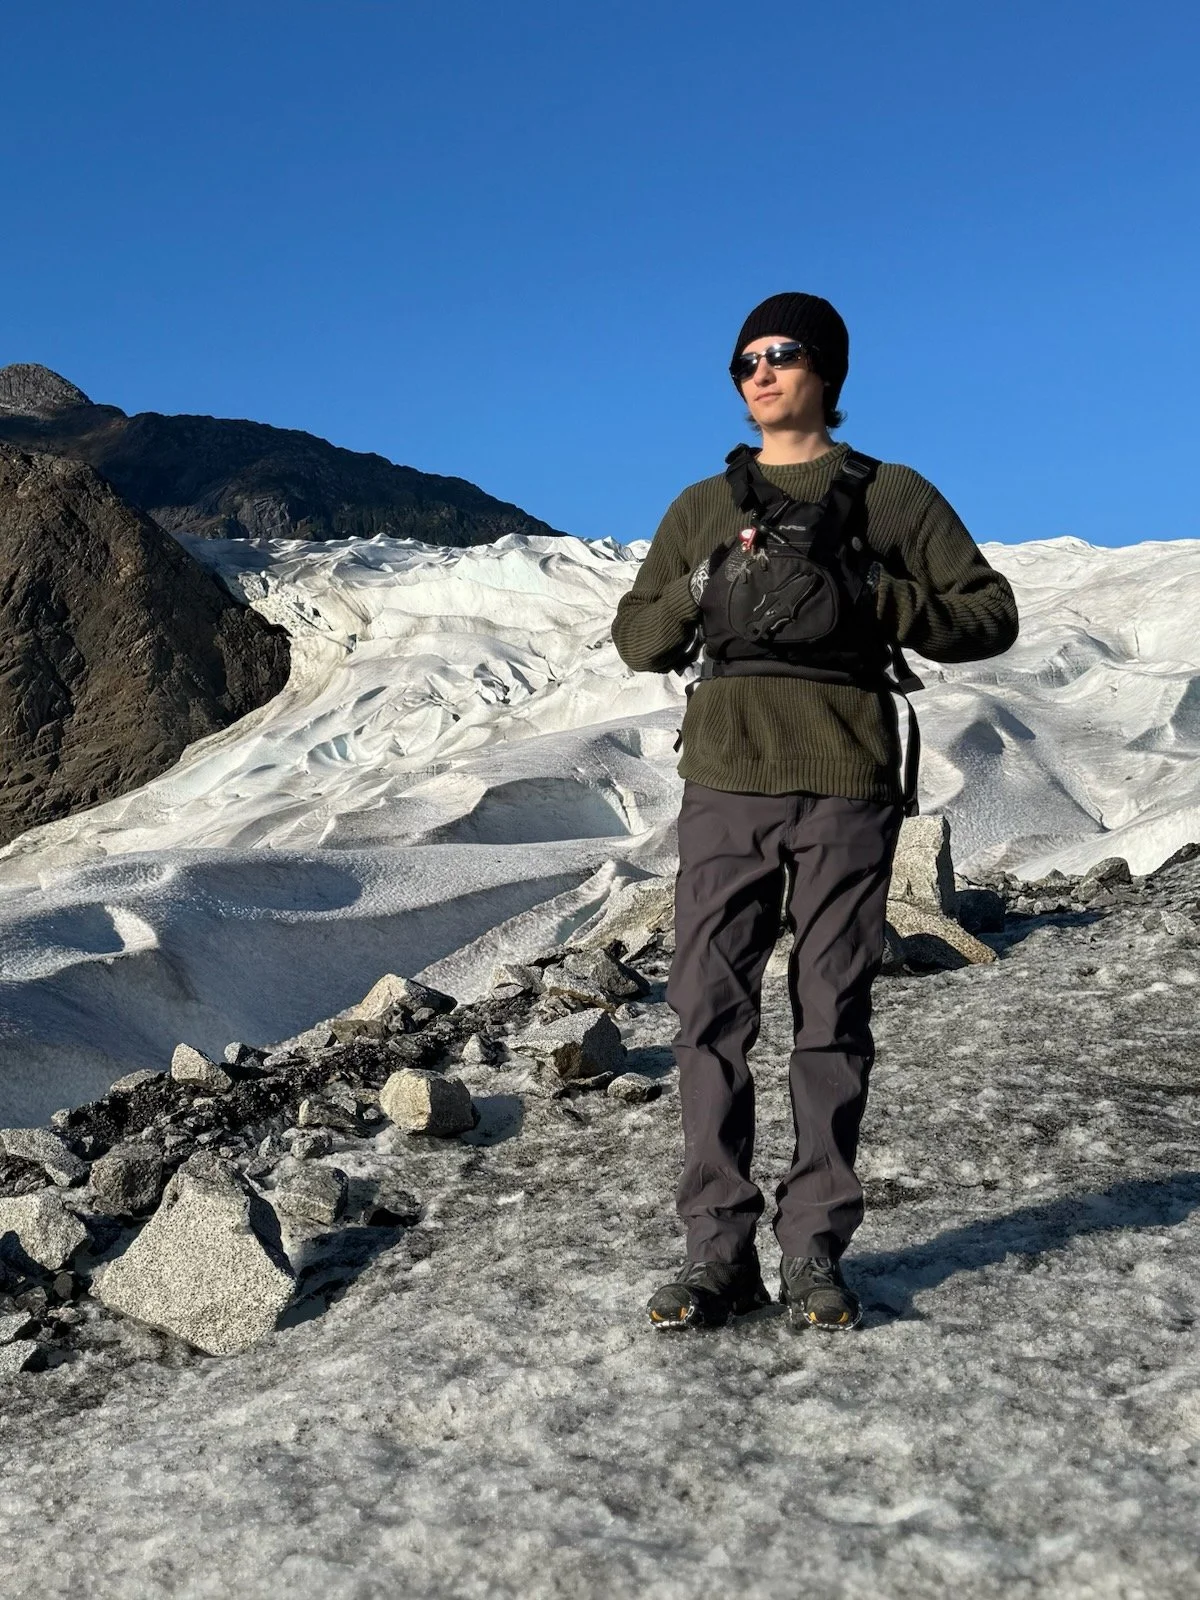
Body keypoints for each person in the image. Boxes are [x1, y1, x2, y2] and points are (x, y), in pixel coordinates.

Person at [611, 292, 1019, 1332]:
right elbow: (637, 638)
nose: (761, 371)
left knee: (832, 1015)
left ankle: (815, 1254)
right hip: (726, 782)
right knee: (709, 1014)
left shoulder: (892, 495)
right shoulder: (704, 505)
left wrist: (881, 598)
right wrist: (700, 586)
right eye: (746, 359)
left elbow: (989, 614)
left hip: (846, 778)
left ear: (826, 371)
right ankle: (717, 1254)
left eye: (783, 354)